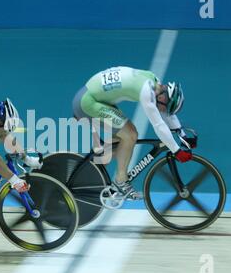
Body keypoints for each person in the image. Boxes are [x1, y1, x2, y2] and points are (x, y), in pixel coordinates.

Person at [72, 66, 195, 198]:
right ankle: (120, 182)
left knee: (121, 140)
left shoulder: (156, 83)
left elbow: (167, 115)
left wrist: (183, 135)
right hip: (87, 102)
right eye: (166, 108)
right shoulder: (147, 91)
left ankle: (91, 175)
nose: (163, 111)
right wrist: (176, 150)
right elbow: (159, 124)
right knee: (130, 134)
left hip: (93, 98)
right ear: (164, 98)